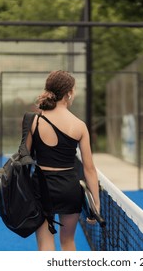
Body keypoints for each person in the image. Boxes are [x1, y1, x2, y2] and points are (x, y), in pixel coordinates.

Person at [26, 70, 100, 251]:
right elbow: (89, 168)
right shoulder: (79, 125)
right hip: (69, 188)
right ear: (68, 93)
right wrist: (95, 203)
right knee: (68, 243)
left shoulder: (33, 121)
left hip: (41, 188)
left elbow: (25, 160)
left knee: (45, 244)